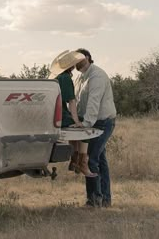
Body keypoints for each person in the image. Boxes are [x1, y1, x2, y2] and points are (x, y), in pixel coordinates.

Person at [74, 48, 117, 208]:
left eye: (80, 58)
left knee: (90, 158)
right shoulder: (80, 78)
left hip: (103, 122)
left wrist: (85, 124)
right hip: (93, 122)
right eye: (75, 59)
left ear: (88, 57)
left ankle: (94, 201)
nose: (77, 62)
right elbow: (78, 102)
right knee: (100, 160)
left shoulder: (96, 76)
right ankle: (105, 200)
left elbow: (94, 102)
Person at [49, 50, 96, 178]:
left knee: (76, 126)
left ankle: (74, 159)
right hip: (60, 116)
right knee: (85, 126)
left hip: (50, 115)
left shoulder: (54, 77)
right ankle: (82, 162)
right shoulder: (65, 78)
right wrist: (77, 121)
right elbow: (71, 101)